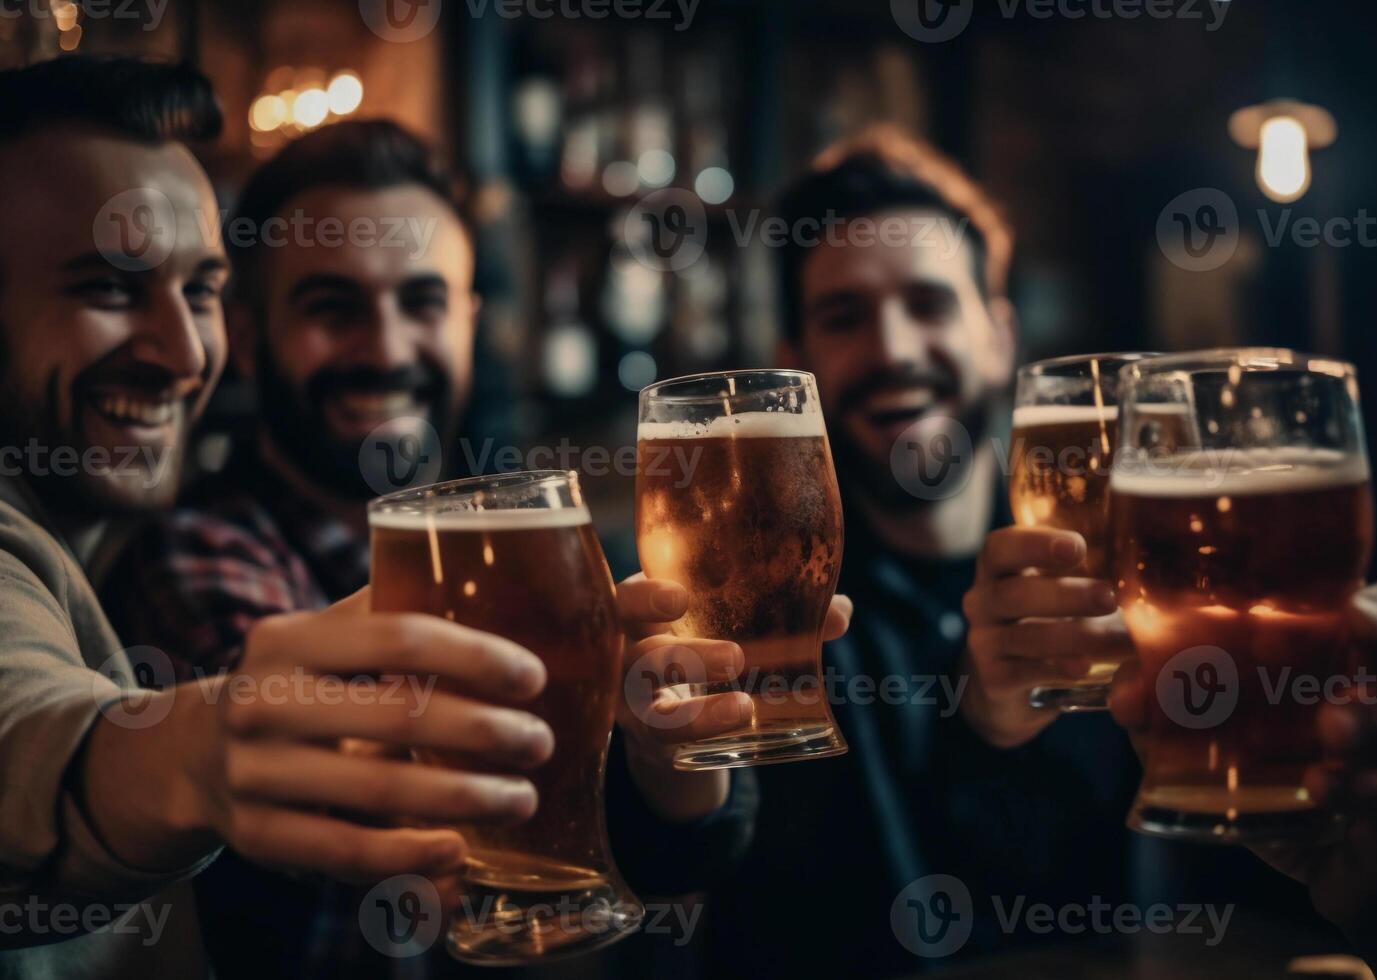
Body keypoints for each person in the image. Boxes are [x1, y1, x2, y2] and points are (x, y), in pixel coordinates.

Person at [705, 125, 1377, 979]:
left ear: (1000, 335)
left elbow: (1277, 911)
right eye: (845, 317)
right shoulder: (757, 601)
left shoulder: (1167, 582)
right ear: (792, 364)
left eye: (928, 303)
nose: (895, 350)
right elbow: (709, 859)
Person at [102, 118, 851, 976]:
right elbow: (366, 822)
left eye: (421, 302)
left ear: (468, 318)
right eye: (331, 308)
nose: (384, 349)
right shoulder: (201, 558)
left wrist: (666, 747)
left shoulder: (541, 537)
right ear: (246, 330)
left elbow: (696, 849)